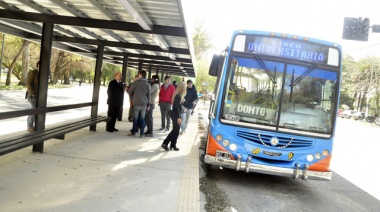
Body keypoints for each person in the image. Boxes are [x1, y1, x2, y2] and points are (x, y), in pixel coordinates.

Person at [161, 81, 186, 151]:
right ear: (183, 88)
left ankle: (173, 144)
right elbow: (176, 107)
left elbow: (177, 106)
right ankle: (165, 143)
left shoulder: (178, 95)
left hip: (175, 114)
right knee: (175, 130)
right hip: (175, 114)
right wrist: (178, 117)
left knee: (177, 130)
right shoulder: (178, 96)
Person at [127, 70, 151, 138]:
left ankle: (134, 132)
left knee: (135, 118)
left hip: (136, 103)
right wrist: (148, 105)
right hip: (144, 104)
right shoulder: (148, 84)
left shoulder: (135, 83)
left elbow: (129, 92)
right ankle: (142, 134)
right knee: (142, 118)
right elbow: (149, 95)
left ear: (140, 75)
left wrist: (126, 89)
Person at [26, 60, 40, 132]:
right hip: (32, 95)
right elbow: (28, 84)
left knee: (38, 110)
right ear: (38, 65)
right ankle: (29, 126)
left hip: (40, 96)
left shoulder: (43, 73)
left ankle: (36, 125)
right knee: (34, 109)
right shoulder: (32, 72)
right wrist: (33, 93)